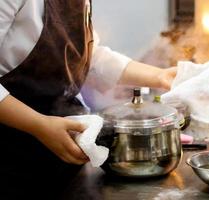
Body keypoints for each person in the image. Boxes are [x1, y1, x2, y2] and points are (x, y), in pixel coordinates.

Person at [0, 0, 177, 199]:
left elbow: (87, 56)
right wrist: (39, 125)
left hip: (60, 149)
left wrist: (160, 77)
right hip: (8, 156)